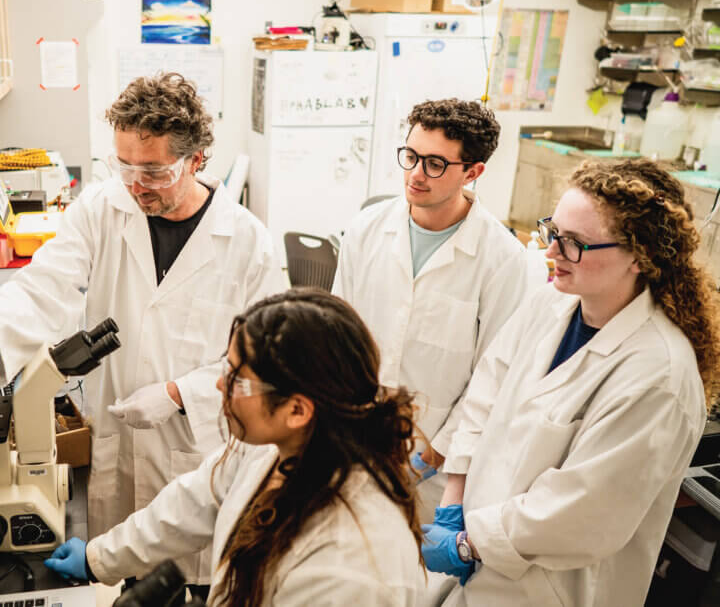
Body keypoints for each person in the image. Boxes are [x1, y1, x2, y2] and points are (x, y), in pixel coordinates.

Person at [0, 72, 284, 591]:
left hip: (196, 446)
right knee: (124, 580)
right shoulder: (103, 208)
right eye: (123, 164)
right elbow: (47, 281)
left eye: (153, 170)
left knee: (194, 586)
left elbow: (268, 361)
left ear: (197, 159)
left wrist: (180, 392)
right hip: (120, 438)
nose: (134, 184)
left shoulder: (248, 242)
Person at [423, 158, 719, 606]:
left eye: (575, 243)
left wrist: (469, 543)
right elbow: (487, 390)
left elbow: (583, 511)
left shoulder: (659, 376)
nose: (552, 252)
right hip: (479, 548)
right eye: (553, 231)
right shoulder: (552, 304)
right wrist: (453, 498)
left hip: (552, 588)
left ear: (641, 256)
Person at [44, 289, 427, 606]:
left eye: (237, 380)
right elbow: (195, 500)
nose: (217, 387)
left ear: (296, 409)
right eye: (225, 369)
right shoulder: (280, 448)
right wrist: (98, 558)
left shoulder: (350, 567)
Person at [332, 99, 529, 519]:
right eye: (411, 156)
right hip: (353, 441)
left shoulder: (502, 259)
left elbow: (493, 376)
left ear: (473, 172)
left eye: (435, 164)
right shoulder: (367, 230)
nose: (416, 174)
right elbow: (338, 335)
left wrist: (433, 457)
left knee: (409, 576)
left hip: (432, 466)